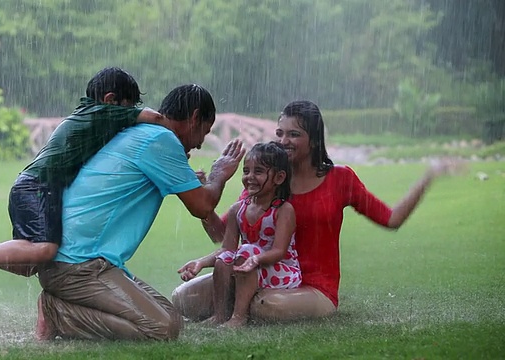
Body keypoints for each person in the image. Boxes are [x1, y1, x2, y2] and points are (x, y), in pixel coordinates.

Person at [172, 100, 463, 323]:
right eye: (280, 133)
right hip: (255, 276)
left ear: (313, 139)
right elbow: (224, 236)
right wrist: (205, 196)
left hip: (313, 288)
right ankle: (239, 308)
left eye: (293, 134)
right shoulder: (266, 179)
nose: (284, 141)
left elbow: (392, 219)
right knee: (181, 300)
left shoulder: (341, 179)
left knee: (267, 306)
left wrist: (429, 176)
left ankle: (241, 309)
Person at [35, 84, 245, 341]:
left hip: (79, 260)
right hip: (79, 265)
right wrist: (219, 174)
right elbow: (201, 207)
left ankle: (66, 305)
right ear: (194, 117)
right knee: (162, 328)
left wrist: (197, 181)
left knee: (171, 316)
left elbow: (207, 218)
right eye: (204, 131)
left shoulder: (144, 133)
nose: (200, 143)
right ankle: (58, 311)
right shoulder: (162, 140)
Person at [0, 67, 163, 302]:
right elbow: (155, 117)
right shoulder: (102, 112)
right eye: (128, 106)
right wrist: (172, 142)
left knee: (29, 264)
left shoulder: (87, 113)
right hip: (37, 187)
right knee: (45, 249)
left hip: (33, 186)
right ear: (110, 99)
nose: (128, 113)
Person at [179, 141, 301, 328]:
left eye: (258, 171)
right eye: (246, 171)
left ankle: (239, 316)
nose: (250, 177)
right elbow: (226, 249)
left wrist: (256, 259)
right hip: (249, 266)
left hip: (280, 270)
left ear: (279, 177)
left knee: (246, 250)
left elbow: (279, 252)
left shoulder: (284, 210)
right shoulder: (238, 209)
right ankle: (221, 315)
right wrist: (201, 262)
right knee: (225, 258)